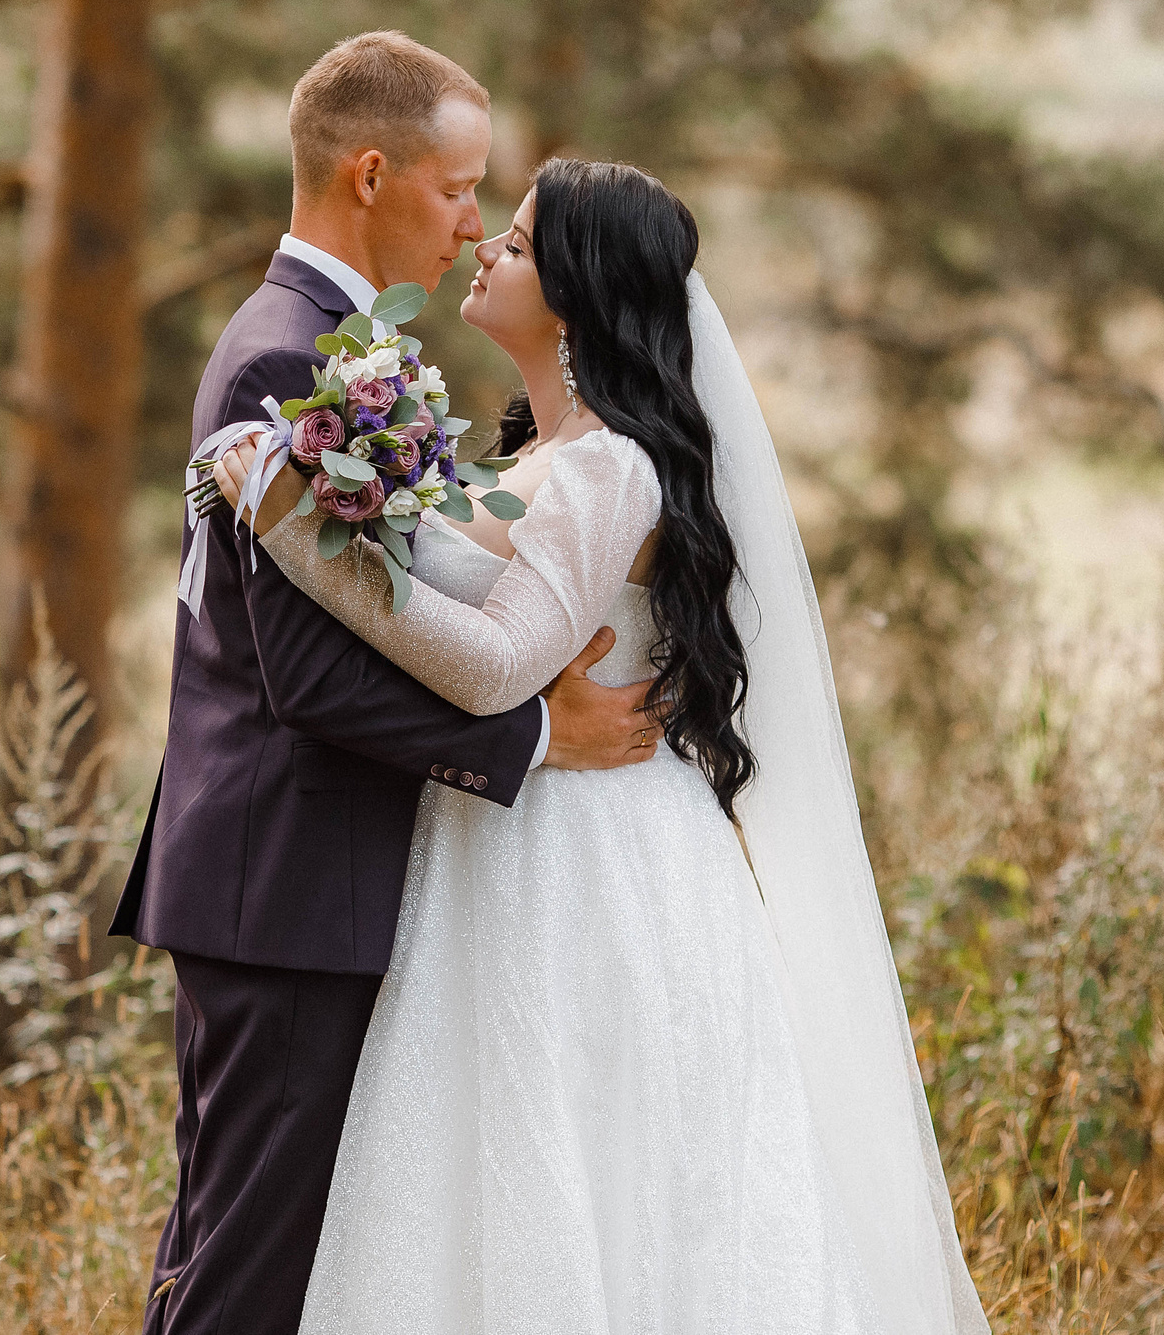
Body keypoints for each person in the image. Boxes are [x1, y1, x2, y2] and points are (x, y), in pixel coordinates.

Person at [210, 156, 989, 1334]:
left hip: (583, 870)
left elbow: (494, 663)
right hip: (512, 850)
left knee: (588, 1187)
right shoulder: (540, 460)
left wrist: (295, 535)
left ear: (573, 296)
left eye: (516, 245)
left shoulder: (608, 467)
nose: (485, 249)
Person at [109, 32, 658, 1335]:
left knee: (244, 1259)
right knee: (247, 1275)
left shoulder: (322, 343)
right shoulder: (290, 360)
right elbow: (302, 674)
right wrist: (536, 741)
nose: (475, 226)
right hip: (290, 877)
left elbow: (388, 600)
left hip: (290, 874)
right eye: (461, 188)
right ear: (371, 174)